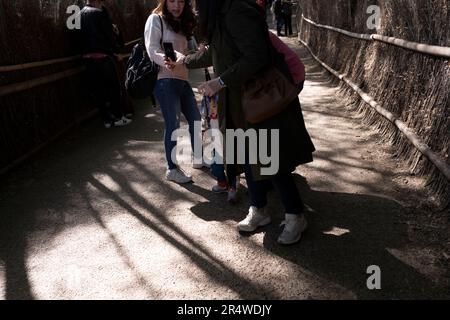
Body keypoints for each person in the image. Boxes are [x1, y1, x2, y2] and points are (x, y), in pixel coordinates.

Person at [176, 0, 315, 245]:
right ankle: (258, 209)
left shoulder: (236, 11)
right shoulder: (222, 12)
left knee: (269, 160)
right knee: (246, 157)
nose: (193, 4)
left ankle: (295, 215)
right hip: (239, 101)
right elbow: (215, 52)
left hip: (258, 99)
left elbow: (256, 56)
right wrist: (184, 61)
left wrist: (219, 82)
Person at [144, 0, 204, 184]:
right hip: (165, 80)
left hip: (182, 79)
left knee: (195, 119)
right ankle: (171, 169)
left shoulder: (183, 23)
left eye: (180, 1)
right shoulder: (156, 19)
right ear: (164, 1)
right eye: (172, 1)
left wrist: (199, 50)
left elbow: (188, 50)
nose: (176, 6)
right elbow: (153, 49)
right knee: (173, 125)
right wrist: (174, 59)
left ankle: (199, 158)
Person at [78, 0, 132, 128]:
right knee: (113, 88)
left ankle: (106, 119)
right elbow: (109, 37)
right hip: (103, 57)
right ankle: (118, 116)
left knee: (98, 91)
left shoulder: (78, 15)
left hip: (88, 60)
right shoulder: (99, 14)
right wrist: (117, 48)